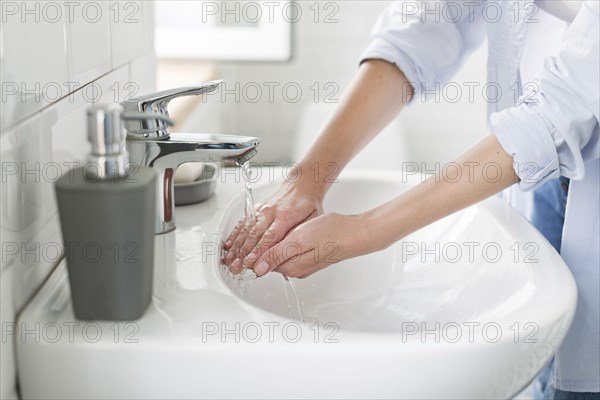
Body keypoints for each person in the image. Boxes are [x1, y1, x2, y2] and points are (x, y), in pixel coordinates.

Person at [223, 1, 599, 398]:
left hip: (569, 164)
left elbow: (562, 108)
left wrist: (369, 229)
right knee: (547, 372)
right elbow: (423, 26)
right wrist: (309, 177)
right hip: (538, 179)